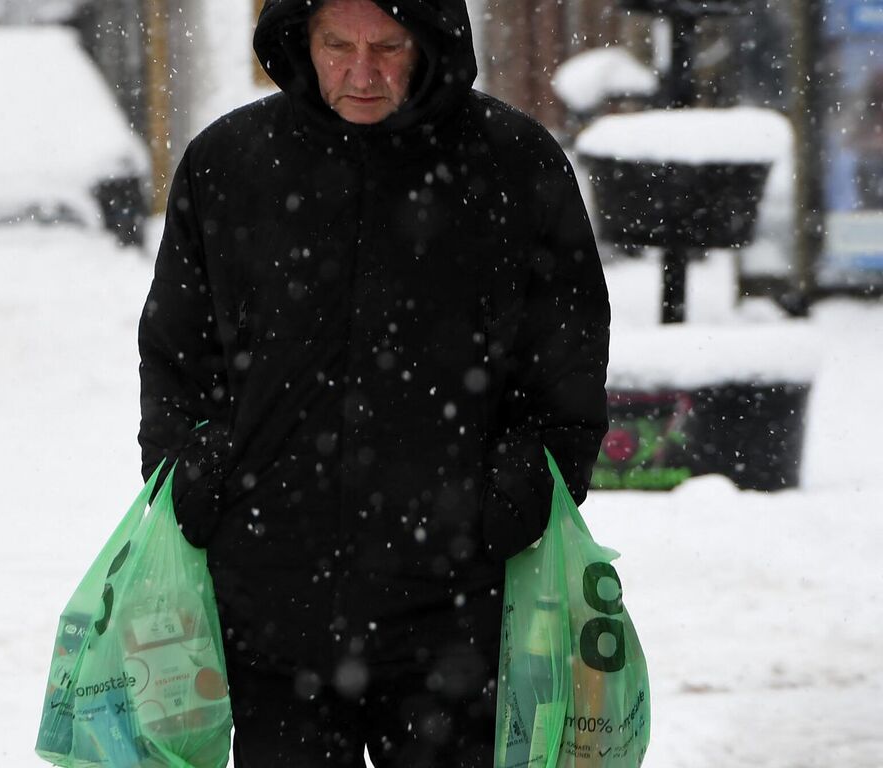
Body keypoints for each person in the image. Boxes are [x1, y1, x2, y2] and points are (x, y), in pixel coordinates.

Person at [136, 0, 610, 765]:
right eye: (338, 45)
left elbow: (568, 359)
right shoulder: (228, 164)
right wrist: (193, 473)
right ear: (301, 39)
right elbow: (175, 356)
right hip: (270, 614)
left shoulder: (511, 163)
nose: (362, 72)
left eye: (388, 46)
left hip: (456, 617)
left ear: (429, 41)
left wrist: (522, 488)